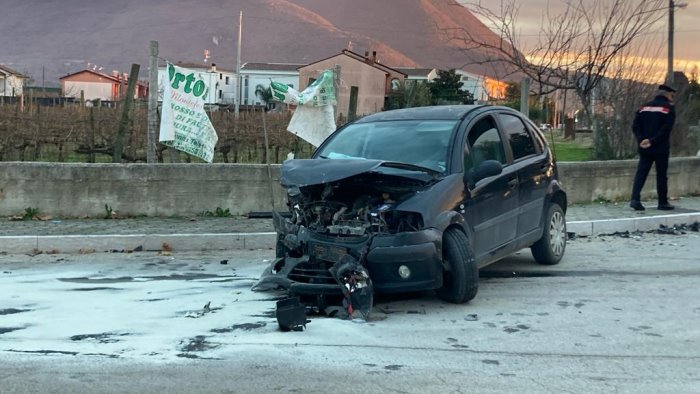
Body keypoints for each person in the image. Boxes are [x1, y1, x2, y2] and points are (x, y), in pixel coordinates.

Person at [630, 84, 677, 211]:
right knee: (661, 175)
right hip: (660, 148)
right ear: (668, 94)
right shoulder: (668, 108)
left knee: (641, 173)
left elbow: (635, 125)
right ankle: (662, 202)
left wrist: (642, 140)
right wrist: (653, 141)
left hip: (644, 147)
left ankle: (635, 199)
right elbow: (666, 129)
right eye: (672, 95)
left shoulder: (644, 107)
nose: (673, 98)